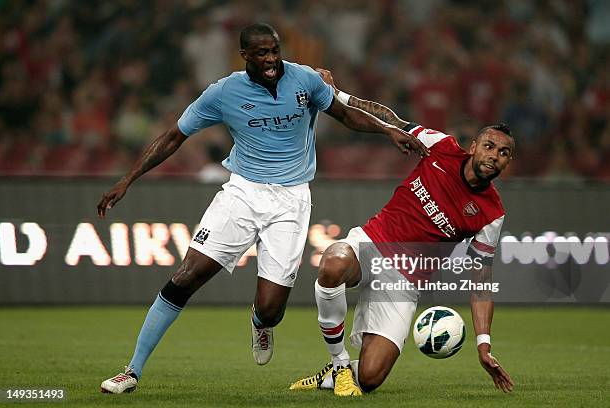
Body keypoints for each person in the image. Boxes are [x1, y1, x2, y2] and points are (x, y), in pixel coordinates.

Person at [97, 24, 429, 394]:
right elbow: (175, 136)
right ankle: (132, 370)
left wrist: (388, 131)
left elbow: (345, 113)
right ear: (245, 56)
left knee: (271, 310)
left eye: (275, 50)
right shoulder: (223, 92)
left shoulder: (305, 79)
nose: (271, 60)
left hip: (291, 201)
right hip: (242, 192)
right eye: (262, 53)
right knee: (186, 276)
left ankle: (259, 323)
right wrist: (128, 178)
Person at [289, 69, 514, 396]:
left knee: (369, 379)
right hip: (373, 244)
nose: (494, 155)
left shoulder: (492, 213)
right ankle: (339, 362)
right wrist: (339, 96)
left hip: (405, 281)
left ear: (508, 163)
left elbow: (481, 279)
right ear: (474, 146)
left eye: (503, 153)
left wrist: (484, 346)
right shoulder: (441, 147)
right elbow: (390, 118)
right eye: (490, 146)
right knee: (333, 262)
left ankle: (335, 375)